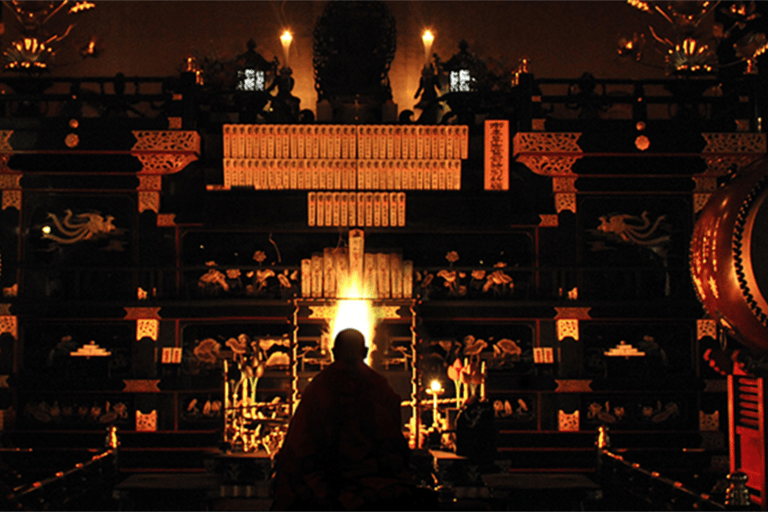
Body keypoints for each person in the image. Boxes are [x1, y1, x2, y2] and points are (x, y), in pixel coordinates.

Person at [271, 328, 432, 511]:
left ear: (333, 353)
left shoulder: (320, 386)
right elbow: (394, 440)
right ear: (364, 352)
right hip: (373, 480)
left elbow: (300, 439)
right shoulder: (379, 386)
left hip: (325, 480)